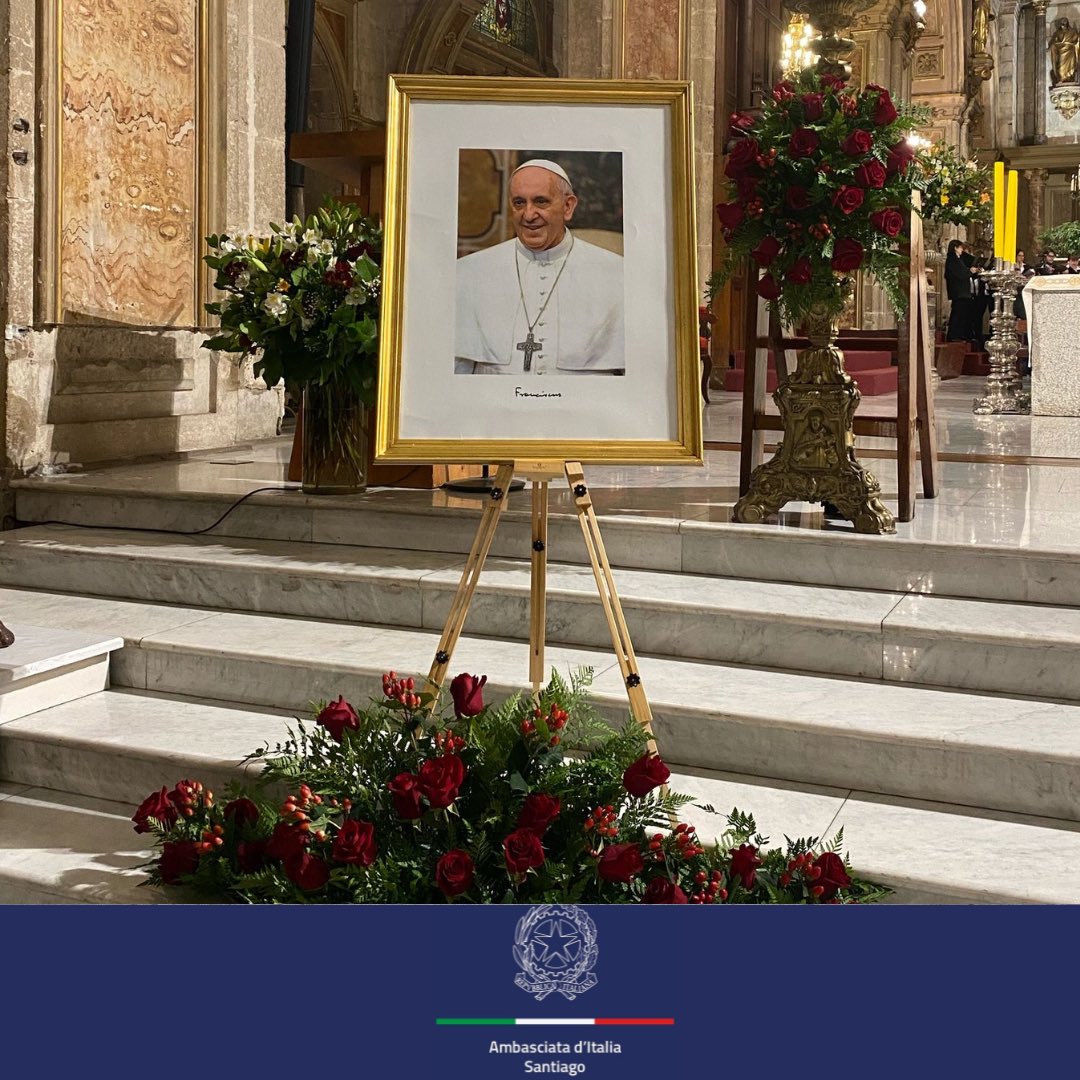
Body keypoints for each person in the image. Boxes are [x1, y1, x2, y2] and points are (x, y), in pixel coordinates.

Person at [454, 159, 625, 375]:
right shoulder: (469, 272)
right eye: (519, 203)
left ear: (568, 206)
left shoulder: (617, 274)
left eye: (541, 202)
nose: (528, 215)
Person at [945, 239, 981, 346]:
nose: (962, 250)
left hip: (963, 292)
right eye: (960, 247)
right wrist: (970, 271)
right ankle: (954, 335)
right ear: (955, 248)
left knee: (963, 314)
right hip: (958, 291)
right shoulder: (952, 259)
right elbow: (960, 273)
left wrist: (972, 271)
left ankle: (961, 334)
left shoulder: (959, 259)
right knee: (958, 314)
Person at [1050, 17, 1079, 87]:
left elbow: (1076, 40)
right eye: (1062, 24)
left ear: (1067, 24)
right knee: (1060, 68)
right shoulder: (1058, 33)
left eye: (1064, 23)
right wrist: (1052, 46)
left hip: (1070, 51)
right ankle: (1061, 78)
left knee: (1071, 67)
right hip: (1061, 51)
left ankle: (1070, 78)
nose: (1063, 25)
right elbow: (1055, 41)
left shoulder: (1072, 31)